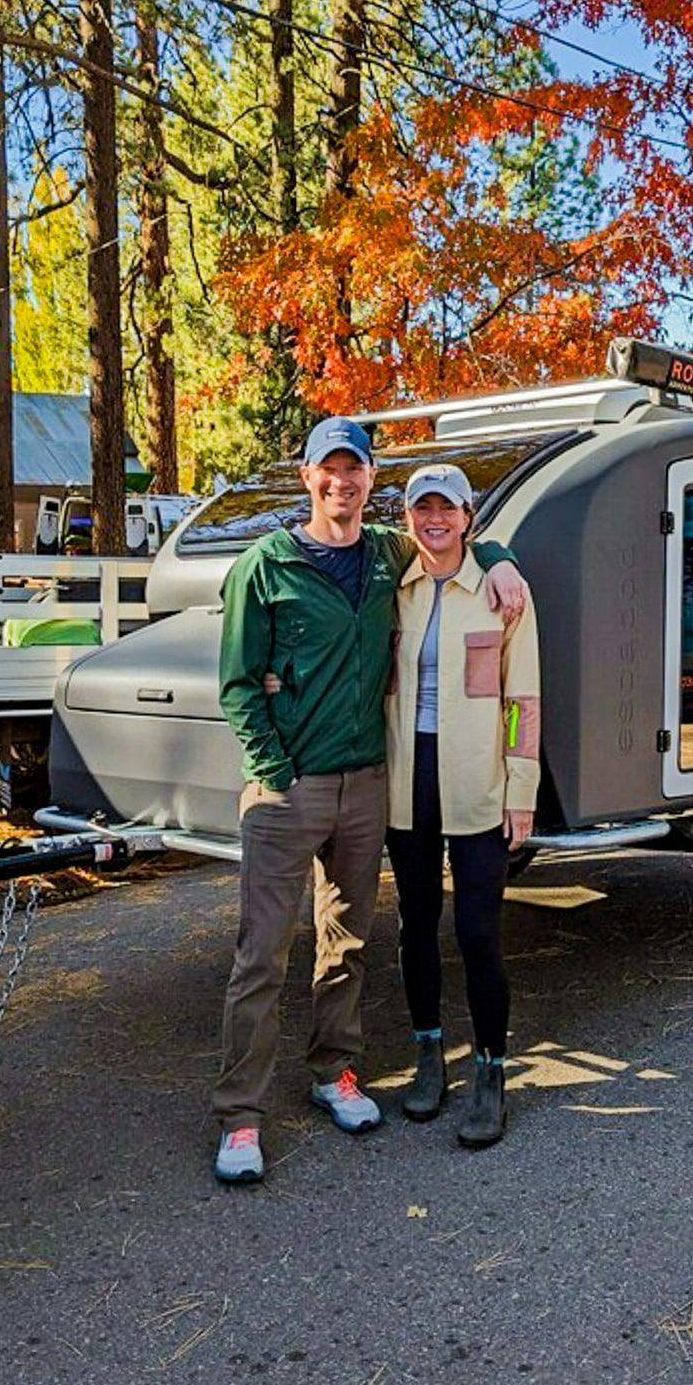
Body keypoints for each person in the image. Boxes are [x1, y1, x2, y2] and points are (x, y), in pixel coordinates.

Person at [209, 416, 526, 1185]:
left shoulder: (389, 555)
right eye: (329, 470)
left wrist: (500, 554)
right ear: (307, 476)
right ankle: (241, 1117)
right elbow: (237, 681)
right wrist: (271, 766)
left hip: (368, 785)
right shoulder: (267, 564)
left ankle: (335, 1074)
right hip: (291, 789)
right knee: (262, 953)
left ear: (370, 480)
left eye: (355, 471)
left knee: (346, 940)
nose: (341, 483)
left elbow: (453, 537)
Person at [385, 465, 540, 1149]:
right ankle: (427, 1057)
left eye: (446, 508)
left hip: (478, 781)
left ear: (469, 516)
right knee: (415, 923)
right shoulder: (397, 588)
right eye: (423, 510)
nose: (434, 520)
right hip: (407, 781)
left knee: (478, 934)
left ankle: (489, 1070)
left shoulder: (503, 595)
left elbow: (520, 706)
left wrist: (521, 788)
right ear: (409, 517)